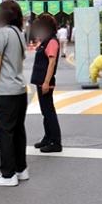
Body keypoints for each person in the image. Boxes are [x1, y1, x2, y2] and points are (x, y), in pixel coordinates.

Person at [0, 0, 28, 187]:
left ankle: (8, 175)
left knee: (6, 132)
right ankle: (21, 169)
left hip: (6, 91)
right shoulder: (19, 33)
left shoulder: (1, 33)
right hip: (20, 89)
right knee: (18, 130)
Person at [31, 13, 62, 153]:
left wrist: (46, 82)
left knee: (49, 112)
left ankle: (55, 142)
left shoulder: (52, 42)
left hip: (45, 82)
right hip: (41, 81)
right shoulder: (46, 40)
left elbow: (51, 63)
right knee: (46, 111)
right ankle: (48, 137)